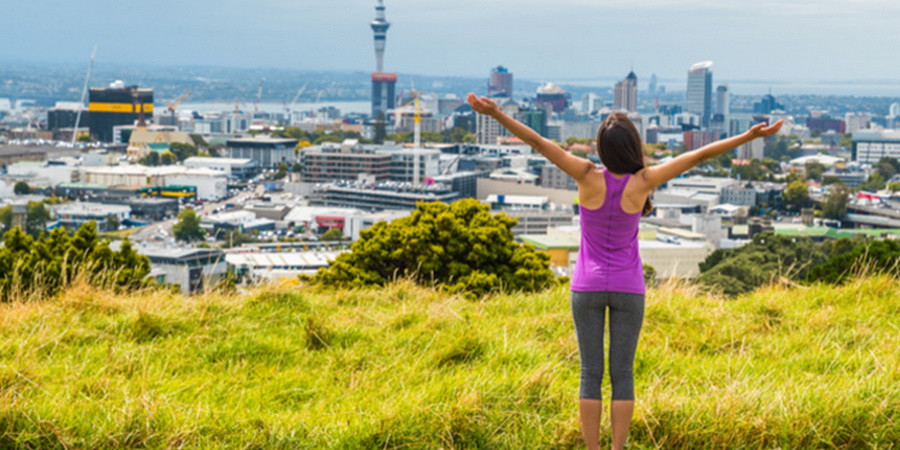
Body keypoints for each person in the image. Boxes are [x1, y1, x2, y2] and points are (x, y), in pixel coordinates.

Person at [466, 93, 782, 450]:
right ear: (632, 146)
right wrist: (748, 137)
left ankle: (592, 449)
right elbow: (699, 155)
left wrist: (496, 113)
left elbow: (536, 141)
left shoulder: (585, 175)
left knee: (590, 374)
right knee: (622, 375)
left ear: (602, 148)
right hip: (629, 289)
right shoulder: (643, 181)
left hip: (586, 287)